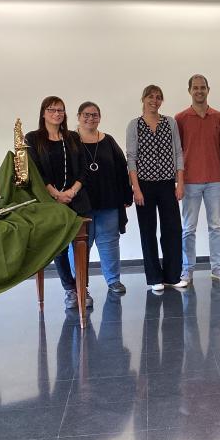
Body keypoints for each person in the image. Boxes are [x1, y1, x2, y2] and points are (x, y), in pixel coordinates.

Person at [25, 96, 92, 309]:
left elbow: (83, 168)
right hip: (50, 202)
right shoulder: (33, 138)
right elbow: (35, 171)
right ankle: (70, 289)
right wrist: (56, 194)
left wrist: (72, 191)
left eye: (61, 110)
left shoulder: (72, 137)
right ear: (43, 113)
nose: (57, 114)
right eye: (52, 110)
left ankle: (83, 287)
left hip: (76, 198)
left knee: (82, 246)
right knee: (60, 248)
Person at [126, 85, 186, 292]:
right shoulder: (135, 125)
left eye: (159, 97)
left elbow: (178, 152)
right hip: (144, 185)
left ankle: (172, 275)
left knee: (172, 230)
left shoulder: (170, 123)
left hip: (168, 184)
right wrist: (136, 189)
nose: (155, 101)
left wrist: (180, 182)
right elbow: (131, 158)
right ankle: (154, 278)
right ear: (143, 99)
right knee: (148, 231)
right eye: (151, 97)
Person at [175, 74, 220, 283]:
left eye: (203, 87)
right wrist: (178, 180)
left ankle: (217, 267)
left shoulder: (219, 117)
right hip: (189, 181)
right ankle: (187, 269)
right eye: (195, 88)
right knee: (188, 228)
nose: (199, 91)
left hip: (214, 180)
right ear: (189, 90)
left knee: (215, 226)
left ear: (209, 89)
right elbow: (177, 152)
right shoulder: (180, 118)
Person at [75, 101, 133, 295]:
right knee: (80, 246)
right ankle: (80, 286)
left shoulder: (108, 140)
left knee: (109, 243)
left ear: (99, 118)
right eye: (86, 114)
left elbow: (121, 168)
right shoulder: (70, 140)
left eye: (95, 115)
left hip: (109, 202)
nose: (90, 118)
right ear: (78, 117)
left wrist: (126, 195)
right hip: (81, 205)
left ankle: (114, 281)